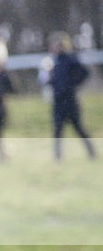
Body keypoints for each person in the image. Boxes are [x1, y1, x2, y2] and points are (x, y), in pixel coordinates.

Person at [46, 32, 96, 160]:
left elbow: (85, 73)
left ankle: (92, 153)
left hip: (70, 101)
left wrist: (72, 84)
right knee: (57, 130)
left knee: (79, 128)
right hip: (58, 101)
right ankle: (58, 157)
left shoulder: (70, 59)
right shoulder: (54, 61)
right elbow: (54, 80)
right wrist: (50, 81)